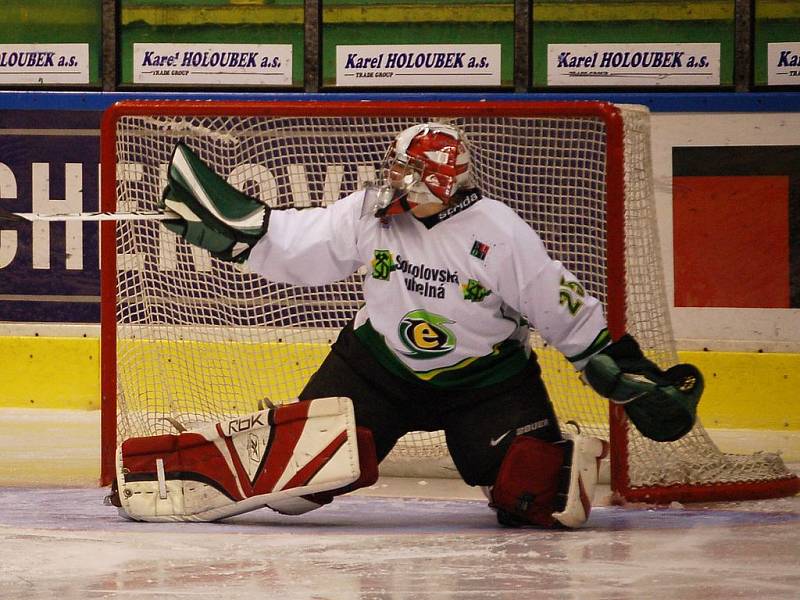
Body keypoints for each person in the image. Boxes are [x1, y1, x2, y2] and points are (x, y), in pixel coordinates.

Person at [111, 122, 702, 527]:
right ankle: (176, 470)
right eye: (397, 168)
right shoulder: (372, 214)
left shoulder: (500, 235)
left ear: (441, 182)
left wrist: (624, 373)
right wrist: (234, 229)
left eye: (410, 173)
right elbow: (297, 242)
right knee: (299, 489)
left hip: (486, 385)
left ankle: (557, 449)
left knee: (537, 494)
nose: (396, 181)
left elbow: (565, 312)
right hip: (376, 368)